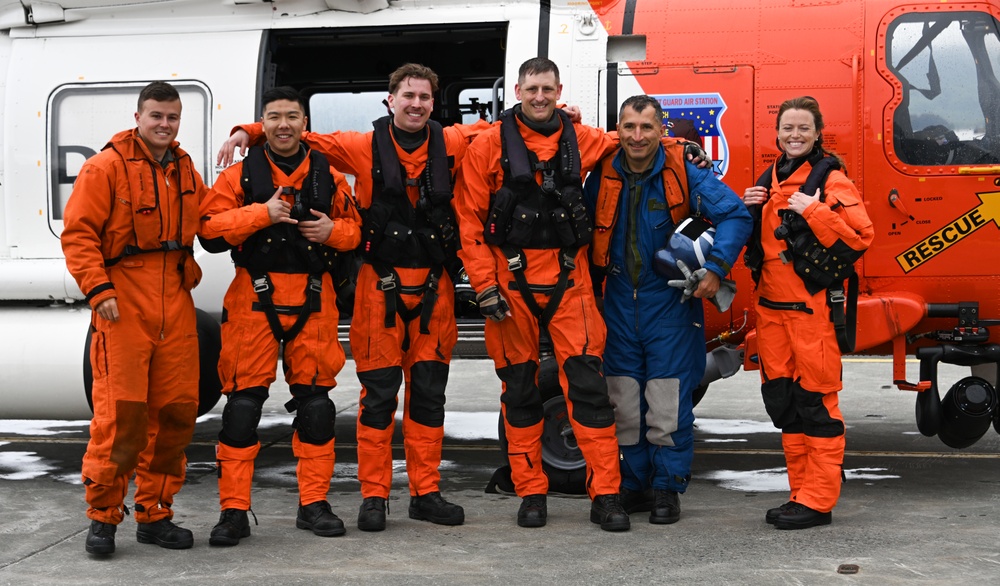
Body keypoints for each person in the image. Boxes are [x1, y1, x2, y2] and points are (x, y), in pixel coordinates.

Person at [217, 64, 487, 532]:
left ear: (433, 102)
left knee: (428, 399)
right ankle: (373, 497)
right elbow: (297, 136)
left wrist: (560, 113)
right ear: (390, 99)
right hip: (378, 289)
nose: (416, 104)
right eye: (407, 95)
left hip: (433, 291)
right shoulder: (360, 147)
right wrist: (253, 130)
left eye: (424, 96)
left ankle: (426, 493)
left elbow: (504, 128)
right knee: (377, 399)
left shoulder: (455, 143)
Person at [454, 56, 634, 531]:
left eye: (547, 90)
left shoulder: (582, 138)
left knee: (591, 393)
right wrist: (484, 287)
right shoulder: (490, 145)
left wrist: (683, 147)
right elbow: (469, 221)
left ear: (558, 91)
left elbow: (634, 140)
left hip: (569, 281)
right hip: (509, 284)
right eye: (531, 89)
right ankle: (531, 492)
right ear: (517, 90)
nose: (539, 97)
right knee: (520, 394)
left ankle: (606, 495)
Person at [199, 86, 361, 545]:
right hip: (254, 298)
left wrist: (333, 232)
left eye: (292, 116)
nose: (284, 125)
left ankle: (313, 504)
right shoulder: (239, 176)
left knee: (318, 409)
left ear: (304, 122)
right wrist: (261, 214)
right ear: (262, 123)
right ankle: (233, 511)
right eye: (274, 117)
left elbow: (355, 234)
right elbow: (208, 231)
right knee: (241, 410)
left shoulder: (331, 177)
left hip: (314, 299)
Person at [583, 95, 752, 524]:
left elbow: (735, 215)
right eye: (628, 127)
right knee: (623, 402)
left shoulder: (684, 174)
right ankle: (633, 485)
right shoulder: (600, 177)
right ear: (617, 131)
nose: (637, 136)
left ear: (662, 131)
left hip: (671, 304)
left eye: (646, 127)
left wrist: (715, 268)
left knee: (667, 402)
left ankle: (666, 489)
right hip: (618, 301)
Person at [62, 81, 206, 555]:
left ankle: (155, 514)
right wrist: (98, 288)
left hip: (175, 303)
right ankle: (103, 518)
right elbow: (79, 234)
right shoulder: (105, 166)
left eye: (173, 117)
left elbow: (210, 219)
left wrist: (264, 213)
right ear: (139, 116)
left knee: (175, 415)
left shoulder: (185, 168)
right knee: (120, 417)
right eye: (157, 116)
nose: (165, 125)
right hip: (122, 304)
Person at [742, 96, 873, 530]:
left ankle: (818, 500)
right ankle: (800, 494)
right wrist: (750, 208)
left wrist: (814, 210)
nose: (794, 135)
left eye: (803, 128)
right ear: (776, 134)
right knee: (786, 405)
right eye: (787, 129)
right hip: (772, 314)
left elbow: (860, 237)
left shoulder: (829, 180)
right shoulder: (770, 179)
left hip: (810, 314)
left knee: (817, 405)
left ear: (818, 133)